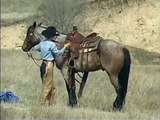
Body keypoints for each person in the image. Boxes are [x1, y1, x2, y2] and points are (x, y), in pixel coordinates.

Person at [32, 26, 71, 106]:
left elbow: (35, 48)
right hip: (49, 65)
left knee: (51, 86)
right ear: (52, 36)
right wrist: (65, 47)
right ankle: (41, 105)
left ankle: (52, 104)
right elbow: (58, 53)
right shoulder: (52, 44)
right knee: (47, 86)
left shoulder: (42, 44)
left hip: (43, 64)